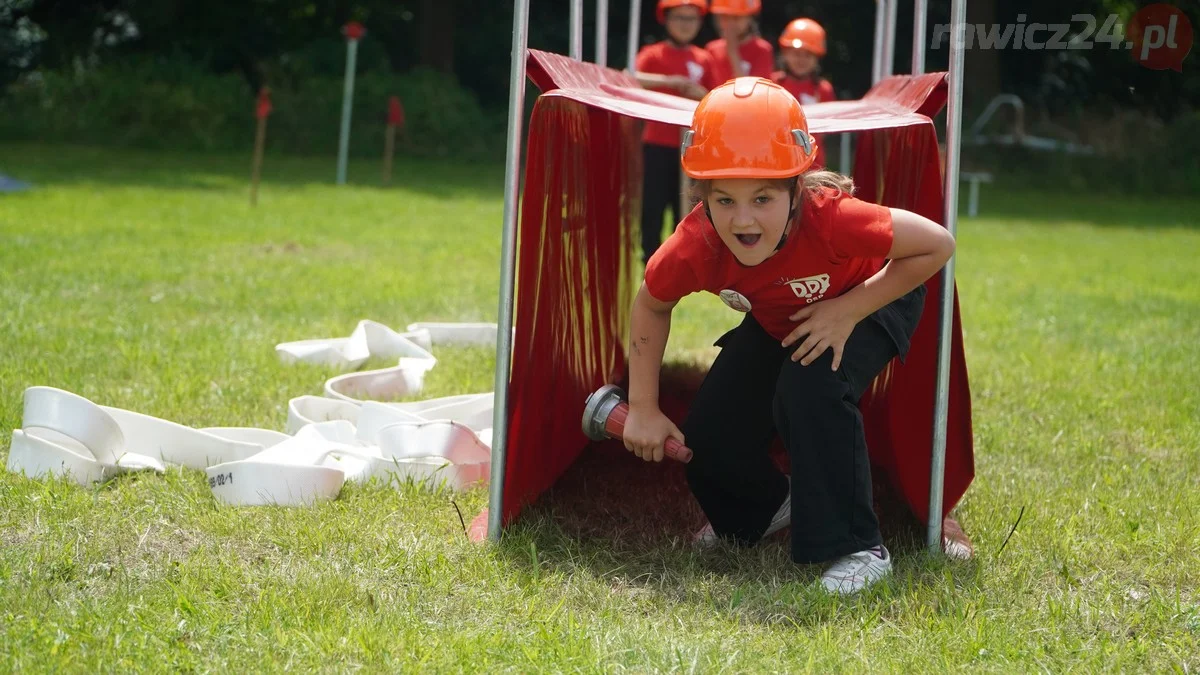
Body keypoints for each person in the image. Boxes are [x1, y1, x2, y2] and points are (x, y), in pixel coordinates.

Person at [621, 78, 956, 595]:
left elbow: (937, 244)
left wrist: (847, 310)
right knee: (710, 429)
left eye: (763, 197)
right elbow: (650, 305)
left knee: (811, 384)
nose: (744, 217)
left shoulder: (834, 221)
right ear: (701, 198)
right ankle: (767, 508)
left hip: (872, 295)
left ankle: (859, 548)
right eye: (725, 199)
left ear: (797, 189)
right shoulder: (694, 246)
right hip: (782, 313)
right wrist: (642, 404)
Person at [633, 0, 719, 263]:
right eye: (679, 18)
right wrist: (671, 82)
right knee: (653, 206)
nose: (685, 24)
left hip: (692, 148)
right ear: (666, 19)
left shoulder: (704, 58)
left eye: (691, 19)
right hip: (657, 144)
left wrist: (697, 92)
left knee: (686, 206)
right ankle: (650, 259)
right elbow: (630, 77)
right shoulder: (652, 54)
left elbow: (717, 98)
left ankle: (680, 261)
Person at [772, 18, 836, 168]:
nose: (801, 60)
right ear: (785, 54)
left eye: (808, 55)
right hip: (779, 163)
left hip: (814, 166)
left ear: (817, 58)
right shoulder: (773, 85)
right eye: (796, 54)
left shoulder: (823, 90)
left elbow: (826, 131)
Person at [704, 0, 774, 84]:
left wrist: (732, 51)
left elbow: (754, 92)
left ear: (750, 18)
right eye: (725, 17)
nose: (730, 24)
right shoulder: (712, 49)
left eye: (736, 17)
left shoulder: (762, 49)